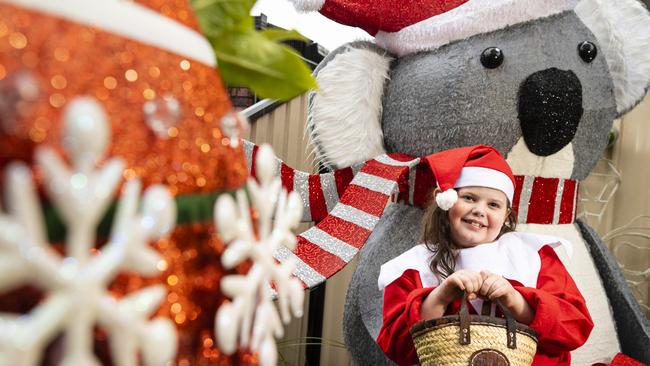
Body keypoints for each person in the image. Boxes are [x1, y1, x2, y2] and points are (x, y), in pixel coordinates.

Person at [376, 145, 593, 366]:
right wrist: (439, 298)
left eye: (493, 205)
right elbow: (396, 349)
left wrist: (516, 301)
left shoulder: (532, 256)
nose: (480, 210)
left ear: (506, 215)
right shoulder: (413, 266)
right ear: (445, 201)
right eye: (469, 198)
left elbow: (576, 328)